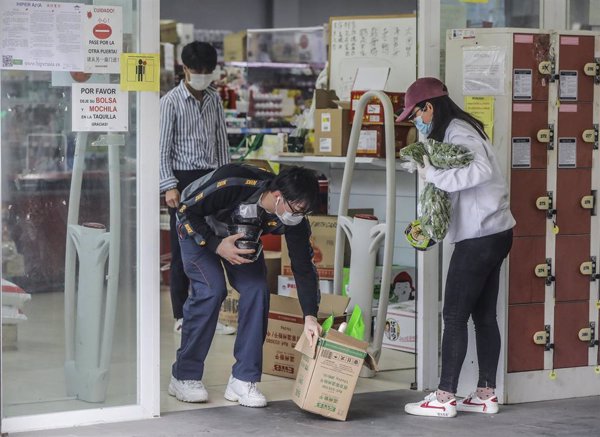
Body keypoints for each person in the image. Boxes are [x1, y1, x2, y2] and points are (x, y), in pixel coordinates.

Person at [397, 77, 515, 418]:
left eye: (415, 115)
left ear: (428, 107)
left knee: (453, 315)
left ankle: (445, 396)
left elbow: (478, 171)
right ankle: (485, 394)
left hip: (479, 238)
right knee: (483, 316)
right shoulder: (464, 128)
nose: (416, 122)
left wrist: (432, 175)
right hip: (496, 233)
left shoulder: (458, 131)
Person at [168, 163, 323, 408]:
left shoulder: (294, 220)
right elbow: (186, 210)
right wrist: (216, 244)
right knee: (211, 290)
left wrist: (310, 316)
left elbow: (303, 268)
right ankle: (184, 375)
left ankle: (243, 379)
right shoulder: (232, 183)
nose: (298, 216)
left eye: (305, 212)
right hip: (198, 229)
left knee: (257, 290)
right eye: (297, 209)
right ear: (278, 196)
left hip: (241, 235)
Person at [159, 41, 232, 335]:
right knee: (183, 250)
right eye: (197, 70)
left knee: (213, 244)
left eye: (207, 71)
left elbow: (222, 142)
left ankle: (209, 314)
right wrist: (168, 186)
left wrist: (227, 180)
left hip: (212, 178)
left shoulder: (214, 100)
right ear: (185, 69)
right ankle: (181, 314)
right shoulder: (170, 102)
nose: (203, 75)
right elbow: (161, 148)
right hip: (182, 181)